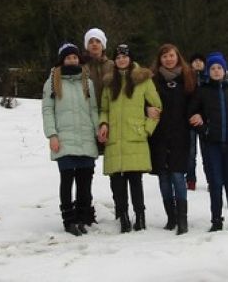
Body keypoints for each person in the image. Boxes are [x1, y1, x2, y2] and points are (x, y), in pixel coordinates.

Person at [97, 43, 162, 233]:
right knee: (117, 182)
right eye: (118, 57)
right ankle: (123, 217)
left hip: (135, 137)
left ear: (130, 58)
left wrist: (146, 129)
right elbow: (104, 109)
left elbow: (157, 107)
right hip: (115, 139)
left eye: (125, 56)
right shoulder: (110, 83)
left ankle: (140, 216)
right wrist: (103, 124)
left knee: (135, 180)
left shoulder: (143, 80)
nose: (121, 60)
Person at [189, 51, 228, 232]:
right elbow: (191, 115)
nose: (216, 71)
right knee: (216, 183)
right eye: (213, 68)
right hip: (212, 144)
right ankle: (216, 220)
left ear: (225, 70)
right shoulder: (202, 92)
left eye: (219, 68)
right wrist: (203, 128)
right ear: (208, 71)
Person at [41, 42, 99, 236]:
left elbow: (93, 110)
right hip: (64, 139)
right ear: (62, 60)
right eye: (68, 57)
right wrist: (52, 135)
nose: (72, 60)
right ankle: (69, 219)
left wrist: (98, 129)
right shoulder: (52, 81)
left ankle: (83, 217)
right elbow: (48, 110)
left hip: (86, 137)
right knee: (67, 179)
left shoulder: (87, 81)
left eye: (75, 57)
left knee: (85, 179)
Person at [149, 44, 197, 234]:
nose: (168, 59)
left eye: (171, 56)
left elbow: (195, 102)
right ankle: (171, 217)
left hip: (180, 134)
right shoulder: (153, 80)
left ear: (178, 57)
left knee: (178, 176)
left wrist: (196, 116)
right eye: (164, 57)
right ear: (159, 59)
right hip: (159, 135)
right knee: (163, 177)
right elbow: (145, 101)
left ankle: (182, 220)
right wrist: (147, 109)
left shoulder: (188, 77)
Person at [187, 53, 207, 191]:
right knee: (190, 153)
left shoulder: (208, 79)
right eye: (195, 61)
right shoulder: (187, 79)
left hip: (206, 121)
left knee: (207, 153)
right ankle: (190, 180)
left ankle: (211, 180)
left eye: (201, 61)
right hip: (190, 120)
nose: (198, 63)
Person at [83, 27, 114, 112]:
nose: (94, 44)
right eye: (91, 42)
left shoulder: (112, 65)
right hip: (88, 113)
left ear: (103, 45)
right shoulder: (82, 67)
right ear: (87, 46)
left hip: (109, 112)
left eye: (98, 41)